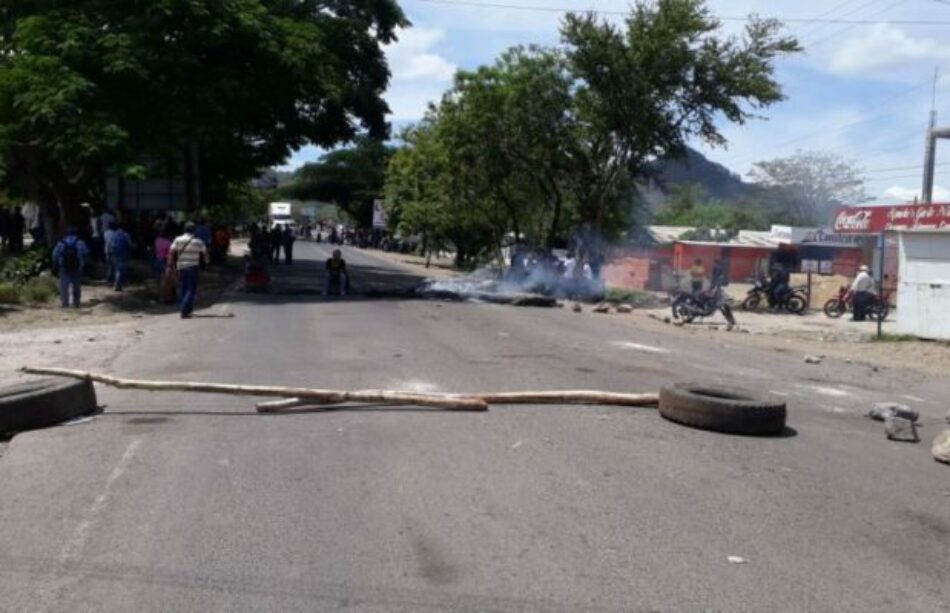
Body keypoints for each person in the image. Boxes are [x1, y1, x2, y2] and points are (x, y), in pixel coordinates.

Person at [169, 221, 208, 319]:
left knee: (184, 288)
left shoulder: (177, 239)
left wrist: (170, 265)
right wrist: (207, 261)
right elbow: (205, 253)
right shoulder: (198, 241)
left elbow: (171, 251)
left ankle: (188, 310)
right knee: (191, 289)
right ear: (194, 230)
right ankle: (183, 309)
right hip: (193, 267)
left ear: (184, 229)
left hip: (181, 267)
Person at [52, 226, 90, 308]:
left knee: (64, 287)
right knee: (77, 286)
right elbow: (86, 253)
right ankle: (76, 303)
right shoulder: (80, 242)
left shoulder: (61, 242)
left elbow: (55, 254)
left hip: (64, 267)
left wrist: (56, 264)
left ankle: (65, 303)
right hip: (77, 267)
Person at [106, 224, 133, 291]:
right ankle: (117, 285)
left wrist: (109, 253)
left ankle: (115, 283)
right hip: (123, 253)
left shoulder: (113, 234)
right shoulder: (126, 235)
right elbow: (129, 244)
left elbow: (109, 244)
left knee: (116, 268)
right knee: (120, 269)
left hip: (114, 253)